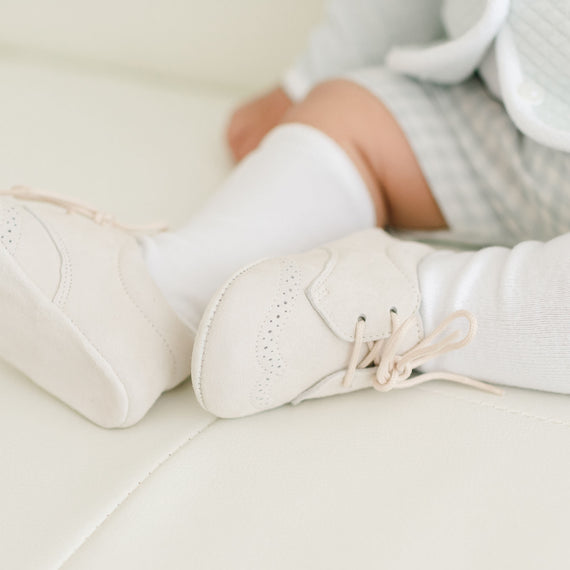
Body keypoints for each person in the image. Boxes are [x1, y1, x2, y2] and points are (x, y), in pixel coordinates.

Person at [1, 0, 568, 426]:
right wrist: (309, 78)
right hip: (505, 116)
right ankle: (158, 300)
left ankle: (398, 307)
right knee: (350, 113)